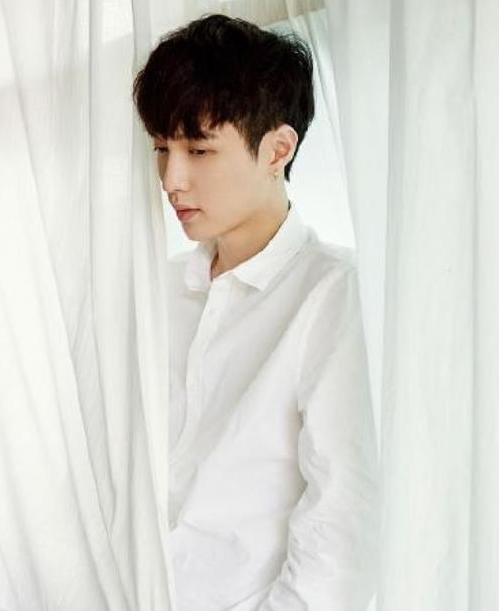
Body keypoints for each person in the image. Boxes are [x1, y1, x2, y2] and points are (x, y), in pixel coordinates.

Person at [133, 13, 378, 611]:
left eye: (199, 149)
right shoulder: (157, 291)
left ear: (277, 149)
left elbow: (344, 528)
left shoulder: (334, 295)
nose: (171, 179)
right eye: (162, 148)